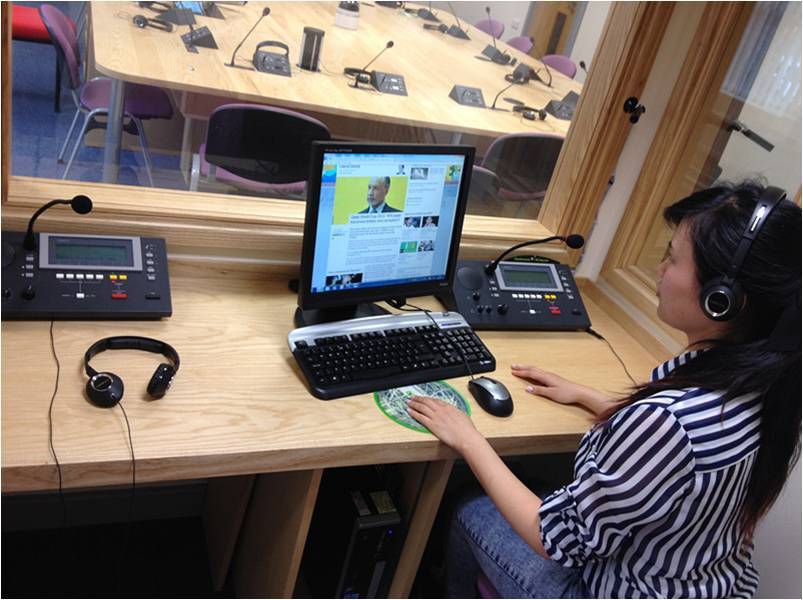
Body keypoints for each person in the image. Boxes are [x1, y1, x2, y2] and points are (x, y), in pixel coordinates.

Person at [408, 182, 801, 598]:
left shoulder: (669, 422)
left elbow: (550, 537)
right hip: (708, 586)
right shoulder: (770, 386)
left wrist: (470, 439)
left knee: (469, 505)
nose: (661, 270)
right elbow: (683, 458)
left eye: (672, 258)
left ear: (720, 299)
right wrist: (591, 397)